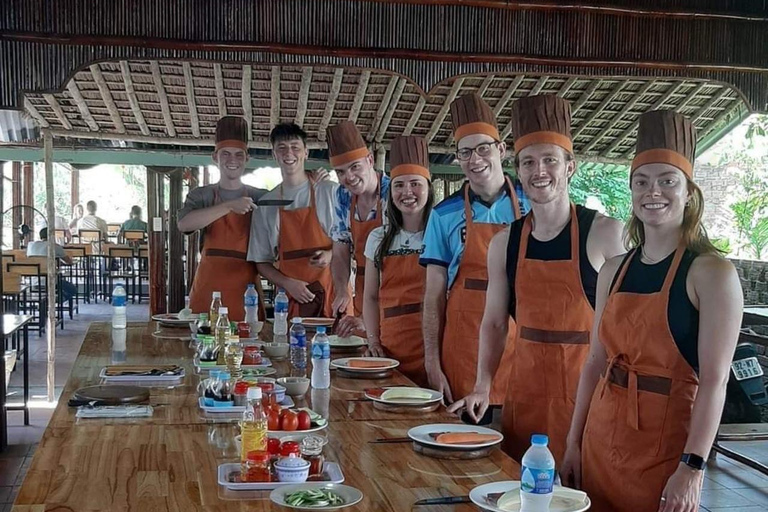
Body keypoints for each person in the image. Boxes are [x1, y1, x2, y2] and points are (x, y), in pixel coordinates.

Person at [560, 110, 742, 512]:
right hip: (601, 437)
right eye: (641, 182)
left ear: (689, 192)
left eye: (667, 181)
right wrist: (573, 442)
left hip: (663, 450)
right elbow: (595, 362)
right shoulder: (614, 269)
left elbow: (714, 382)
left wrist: (691, 468)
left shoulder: (712, 273)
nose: (652, 191)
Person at [448, 95, 625, 465]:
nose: (538, 171)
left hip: (589, 399)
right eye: (528, 162)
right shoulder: (504, 243)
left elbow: (627, 326)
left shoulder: (606, 233)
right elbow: (495, 322)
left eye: (549, 160)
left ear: (570, 166)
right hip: (524, 395)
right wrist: (482, 384)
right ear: (518, 168)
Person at [421, 93, 529, 406]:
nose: (475, 159)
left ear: (501, 149)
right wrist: (432, 361)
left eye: (483, 148)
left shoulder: (533, 204)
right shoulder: (443, 214)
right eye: (466, 152)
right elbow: (433, 294)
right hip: (463, 345)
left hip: (518, 340)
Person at [178, 116, 266, 322]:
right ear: (215, 157)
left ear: (247, 159)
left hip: (246, 286)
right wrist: (228, 206)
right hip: (209, 284)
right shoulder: (201, 195)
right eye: (225, 154)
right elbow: (184, 224)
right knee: (204, 341)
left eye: (238, 154)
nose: (232, 160)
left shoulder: (260, 196)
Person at [248, 123, 339, 318]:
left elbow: (352, 242)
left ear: (306, 152)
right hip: (292, 298)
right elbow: (261, 262)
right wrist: (288, 284)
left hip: (334, 291)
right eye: (282, 148)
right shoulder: (266, 204)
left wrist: (331, 255)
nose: (289, 153)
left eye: (295, 147)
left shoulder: (330, 191)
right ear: (274, 154)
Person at [363, 135, 432, 387]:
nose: (407, 192)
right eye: (399, 185)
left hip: (433, 342)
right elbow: (371, 296)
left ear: (428, 187)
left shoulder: (441, 232)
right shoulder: (378, 238)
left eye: (415, 184)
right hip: (389, 345)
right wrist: (373, 341)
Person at [328, 121, 390, 336]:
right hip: (364, 289)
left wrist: (370, 316)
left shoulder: (395, 192)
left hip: (393, 288)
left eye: (355, 167)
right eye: (341, 172)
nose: (349, 177)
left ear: (370, 160)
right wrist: (342, 290)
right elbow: (340, 249)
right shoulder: (342, 195)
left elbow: (401, 262)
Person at [26, 228, 77, 302]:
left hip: (33, 281)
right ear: (52, 236)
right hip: (52, 281)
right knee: (73, 289)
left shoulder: (31, 245)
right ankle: (56, 300)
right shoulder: (54, 246)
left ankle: (47, 301)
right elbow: (69, 261)